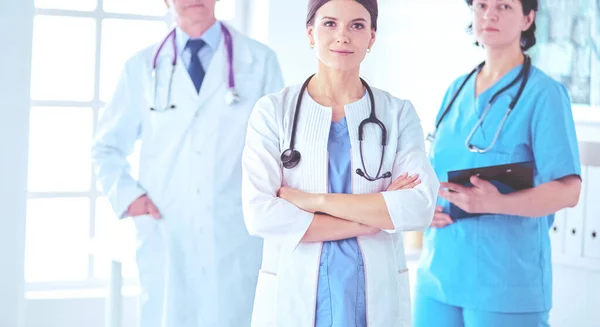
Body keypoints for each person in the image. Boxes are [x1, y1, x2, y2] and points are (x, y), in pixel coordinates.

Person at [240, 0, 439, 326]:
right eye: (330, 24)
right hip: (297, 293)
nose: (342, 36)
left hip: (372, 295)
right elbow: (260, 214)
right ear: (310, 33)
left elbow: (417, 207)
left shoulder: (397, 114)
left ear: (372, 37)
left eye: (357, 25)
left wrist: (312, 202)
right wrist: (370, 220)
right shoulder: (274, 112)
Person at [91, 0, 284, 326]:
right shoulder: (140, 67)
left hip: (236, 228)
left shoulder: (260, 61)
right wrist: (130, 198)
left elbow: (281, 148)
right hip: (168, 227)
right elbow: (106, 148)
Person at [413, 1, 582, 326]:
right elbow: (436, 169)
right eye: (482, 5)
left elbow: (568, 191)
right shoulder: (456, 90)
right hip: (438, 275)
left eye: (504, 6)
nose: (489, 14)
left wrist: (497, 202)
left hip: (506, 282)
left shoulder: (544, 94)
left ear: (528, 18)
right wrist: (425, 205)